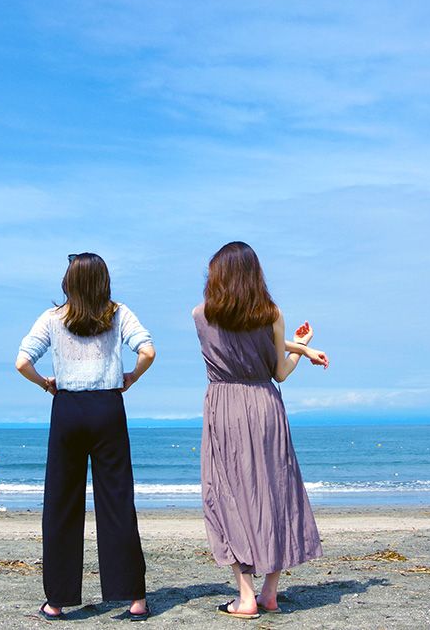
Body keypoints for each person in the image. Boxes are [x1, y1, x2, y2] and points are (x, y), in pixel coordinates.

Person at [15, 252, 154, 621]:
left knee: (61, 506)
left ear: (69, 282)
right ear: (104, 281)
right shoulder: (119, 312)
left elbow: (22, 362)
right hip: (108, 407)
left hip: (68, 409)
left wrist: (46, 384)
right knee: (117, 501)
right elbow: (147, 351)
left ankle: (57, 601)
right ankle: (134, 598)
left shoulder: (52, 318)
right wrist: (132, 377)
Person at [193, 241, 328, 619]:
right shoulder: (271, 313)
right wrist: (299, 348)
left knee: (228, 496)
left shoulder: (200, 315)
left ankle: (245, 595)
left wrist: (296, 346)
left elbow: (235, 330)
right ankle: (269, 593)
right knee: (275, 492)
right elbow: (278, 371)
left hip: (224, 409)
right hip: (265, 407)